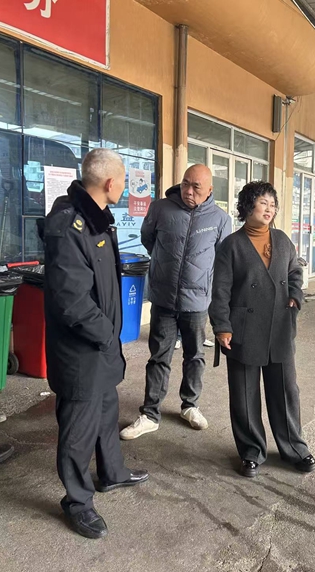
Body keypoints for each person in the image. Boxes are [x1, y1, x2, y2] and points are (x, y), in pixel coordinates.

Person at [42, 149, 148, 539]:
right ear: (109, 183)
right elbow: (71, 301)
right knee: (78, 429)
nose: (125, 187)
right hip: (82, 351)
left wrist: (108, 338)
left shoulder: (96, 219)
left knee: (106, 411)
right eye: (124, 180)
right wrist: (106, 334)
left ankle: (112, 473)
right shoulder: (69, 225)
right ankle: (77, 501)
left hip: (100, 347)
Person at [209, 181, 315, 478]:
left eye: (273, 204)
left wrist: (295, 294)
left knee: (286, 390)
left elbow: (295, 272)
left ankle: (294, 448)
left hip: (280, 325)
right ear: (248, 206)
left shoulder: (282, 240)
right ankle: (251, 451)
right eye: (263, 203)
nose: (269, 209)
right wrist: (222, 326)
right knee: (244, 395)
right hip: (244, 327)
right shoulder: (231, 245)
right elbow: (220, 290)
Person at [120, 164, 231, 439]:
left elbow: (222, 258)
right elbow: (148, 239)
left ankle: (190, 405)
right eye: (185, 184)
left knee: (195, 355)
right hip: (164, 297)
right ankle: (150, 414)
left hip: (197, 301)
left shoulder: (220, 219)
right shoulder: (160, 209)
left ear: (209, 190)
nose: (188, 191)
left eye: (196, 187)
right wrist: (164, 266)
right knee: (159, 356)